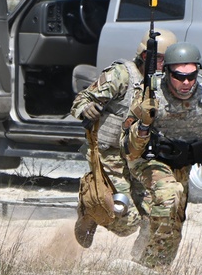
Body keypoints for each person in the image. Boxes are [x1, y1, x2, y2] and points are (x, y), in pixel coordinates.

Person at [121, 42, 202, 269]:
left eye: (191, 76)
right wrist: (143, 124)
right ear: (167, 72)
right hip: (149, 160)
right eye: (179, 76)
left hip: (182, 164)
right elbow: (127, 146)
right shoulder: (151, 97)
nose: (186, 83)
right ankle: (146, 268)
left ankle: (154, 267)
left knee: (174, 224)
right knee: (169, 195)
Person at [70, 28, 177, 248]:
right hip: (110, 156)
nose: (161, 65)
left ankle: (142, 260)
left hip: (141, 158)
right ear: (144, 56)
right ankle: (90, 210)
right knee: (126, 220)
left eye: (166, 61)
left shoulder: (168, 84)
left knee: (155, 210)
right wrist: (87, 108)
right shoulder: (121, 75)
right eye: (156, 59)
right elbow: (82, 99)